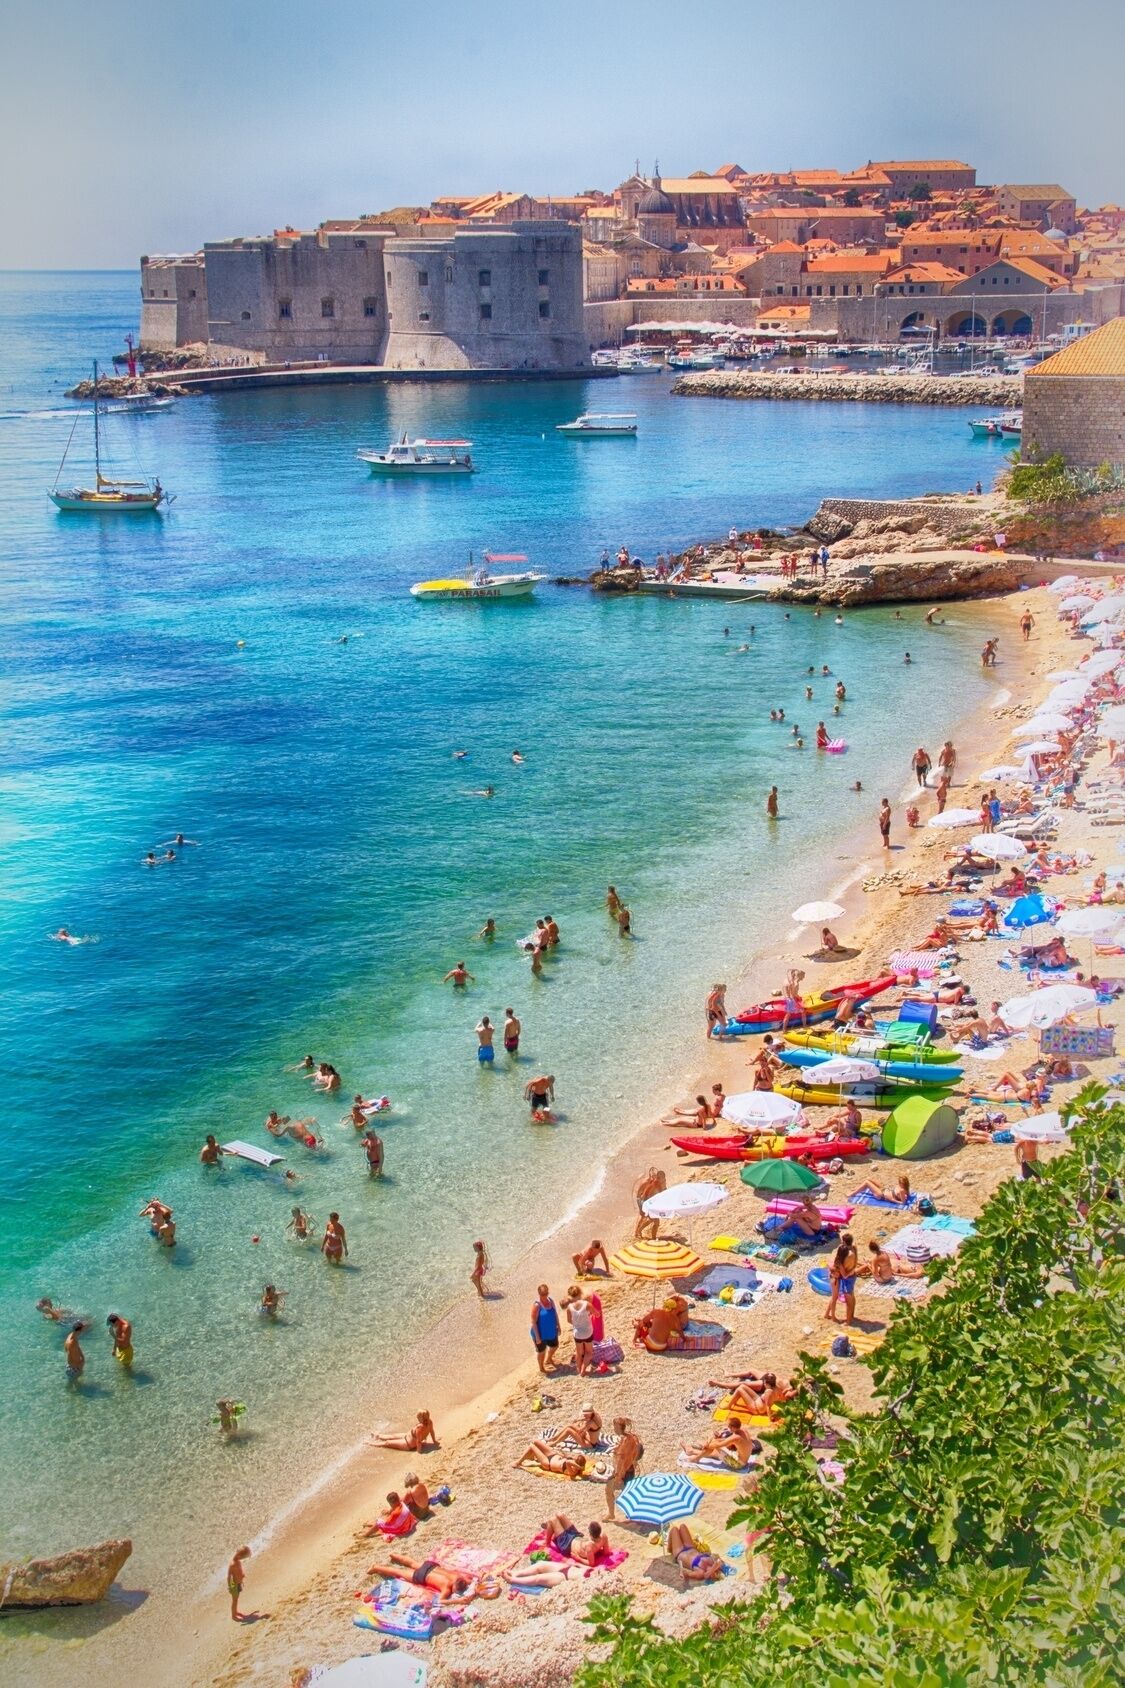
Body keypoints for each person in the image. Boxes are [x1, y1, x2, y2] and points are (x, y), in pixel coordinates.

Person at [365, 1554, 476, 1605]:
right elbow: (440, 1601)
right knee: (399, 1572)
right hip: (422, 1576)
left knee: (412, 1563)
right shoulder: (446, 1588)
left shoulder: (458, 1576)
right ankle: (376, 1567)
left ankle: (394, 1555)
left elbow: (473, 1581)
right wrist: (457, 1601)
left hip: (431, 1566)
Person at [603, 1417, 643, 1520]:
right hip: (631, 1468)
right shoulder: (632, 1437)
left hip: (622, 1471)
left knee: (609, 1490)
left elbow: (620, 1460)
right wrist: (634, 1460)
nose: (614, 1429)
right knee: (629, 1492)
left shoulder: (624, 1441)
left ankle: (612, 1513)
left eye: (615, 1426)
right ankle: (630, 1514)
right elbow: (638, 1447)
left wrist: (618, 1475)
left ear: (618, 1427)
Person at [681, 1415, 755, 1469]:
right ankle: (692, 1452)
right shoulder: (743, 1430)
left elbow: (717, 1445)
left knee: (714, 1447)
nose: (727, 1428)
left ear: (733, 1427)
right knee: (716, 1450)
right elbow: (726, 1440)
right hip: (742, 1460)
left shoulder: (736, 1437)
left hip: (738, 1464)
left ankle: (696, 1458)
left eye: (728, 1426)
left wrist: (708, 1444)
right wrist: (713, 1440)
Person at [826, 1232, 858, 1325]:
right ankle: (833, 1317)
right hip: (836, 1278)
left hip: (838, 1277)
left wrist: (851, 1269)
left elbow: (834, 1266)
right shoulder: (852, 1250)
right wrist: (853, 1268)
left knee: (834, 1297)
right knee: (835, 1297)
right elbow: (834, 1268)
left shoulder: (841, 1259)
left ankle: (827, 1314)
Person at [370, 1410, 440, 1452]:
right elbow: (431, 1431)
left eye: (418, 1417)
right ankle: (377, 1436)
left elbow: (418, 1441)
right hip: (407, 1436)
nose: (417, 1418)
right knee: (391, 1436)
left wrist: (419, 1451)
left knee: (387, 1443)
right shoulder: (430, 1422)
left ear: (421, 1418)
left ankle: (371, 1443)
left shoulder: (420, 1427)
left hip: (407, 1444)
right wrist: (434, 1441)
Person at [513, 1439, 585, 1479]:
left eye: (575, 1459)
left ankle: (518, 1462)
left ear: (577, 1463)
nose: (573, 1458)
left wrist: (580, 1467)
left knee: (532, 1446)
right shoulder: (572, 1462)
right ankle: (531, 1457)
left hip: (548, 1463)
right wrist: (562, 1453)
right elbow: (567, 1458)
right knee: (536, 1442)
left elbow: (568, 1462)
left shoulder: (572, 1472)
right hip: (553, 1455)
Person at [565, 1286, 595, 1376]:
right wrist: (589, 1316)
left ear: (569, 1296)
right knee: (589, 1352)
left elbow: (569, 1320)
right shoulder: (587, 1304)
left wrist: (577, 1323)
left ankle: (578, 1369)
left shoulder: (569, 1307)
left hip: (577, 1333)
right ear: (580, 1293)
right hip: (587, 1332)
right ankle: (583, 1370)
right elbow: (597, 1314)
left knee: (579, 1352)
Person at [530, 1284, 560, 1371]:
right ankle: (541, 1368)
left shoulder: (551, 1301)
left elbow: (555, 1314)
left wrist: (558, 1325)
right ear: (539, 1294)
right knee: (542, 1352)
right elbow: (533, 1322)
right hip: (540, 1333)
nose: (545, 1296)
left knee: (555, 1346)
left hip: (551, 1330)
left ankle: (548, 1359)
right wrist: (537, 1337)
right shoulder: (537, 1305)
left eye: (546, 1293)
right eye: (543, 1294)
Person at [633, 1168, 665, 1239]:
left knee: (651, 1219)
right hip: (642, 1200)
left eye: (656, 1175)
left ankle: (639, 1231)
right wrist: (641, 1206)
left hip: (650, 1202)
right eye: (653, 1175)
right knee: (644, 1216)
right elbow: (639, 1195)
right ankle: (637, 1232)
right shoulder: (646, 1182)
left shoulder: (657, 1183)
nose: (655, 1177)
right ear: (650, 1175)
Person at [227, 1546, 253, 1621]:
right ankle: (233, 1616)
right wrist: (230, 1587)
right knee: (234, 1600)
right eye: (242, 1558)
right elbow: (229, 1577)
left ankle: (236, 1612)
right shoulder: (232, 1564)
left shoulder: (238, 1561)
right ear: (239, 1556)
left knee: (236, 1599)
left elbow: (239, 1571)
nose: (242, 1559)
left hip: (238, 1583)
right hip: (234, 1585)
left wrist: (242, 1575)